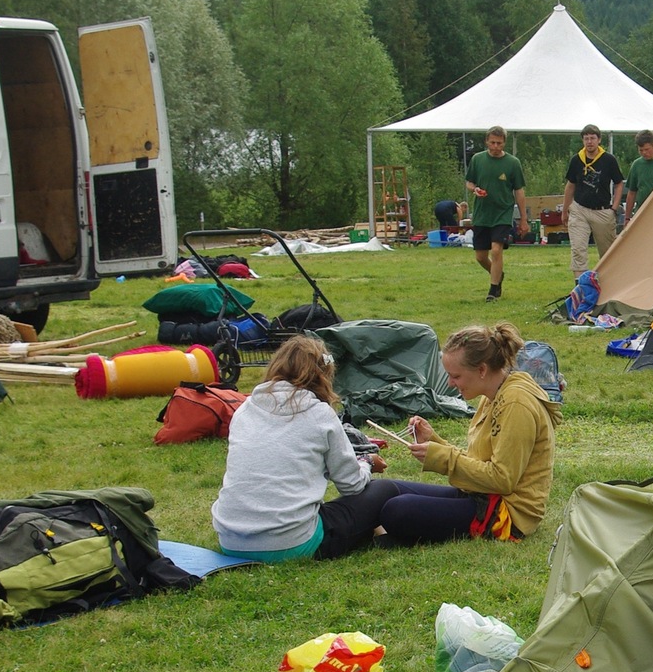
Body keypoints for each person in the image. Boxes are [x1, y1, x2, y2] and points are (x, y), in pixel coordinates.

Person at [361, 324, 562, 545]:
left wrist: (441, 457)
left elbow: (502, 479)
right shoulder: (493, 394)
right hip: (481, 494)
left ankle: (384, 535)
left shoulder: (516, 403)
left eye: (455, 376)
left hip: (504, 512)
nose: (450, 383)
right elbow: (479, 461)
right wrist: (434, 441)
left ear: (482, 370)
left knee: (397, 510)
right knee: (385, 490)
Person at [210, 335, 388, 563]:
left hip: (230, 540)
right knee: (384, 490)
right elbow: (351, 485)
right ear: (323, 375)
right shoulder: (319, 414)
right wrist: (367, 463)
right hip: (292, 543)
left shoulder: (245, 409)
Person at [465, 127, 528, 301]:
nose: (495, 146)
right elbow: (469, 182)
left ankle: (493, 291)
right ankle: (498, 274)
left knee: (496, 249)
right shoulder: (477, 159)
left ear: (504, 143)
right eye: (492, 142)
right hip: (482, 213)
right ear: (486, 141)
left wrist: (523, 219)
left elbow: (519, 191)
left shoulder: (513, 163)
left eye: (499, 143)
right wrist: (475, 189)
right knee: (480, 256)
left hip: (503, 213)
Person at [562, 124, 625, 279]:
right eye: (586, 139)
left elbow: (619, 183)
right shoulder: (577, 160)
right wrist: (565, 210)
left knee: (608, 252)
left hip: (602, 211)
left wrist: (614, 208)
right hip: (579, 209)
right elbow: (570, 185)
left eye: (592, 138)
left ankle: (609, 284)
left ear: (599, 140)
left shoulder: (608, 160)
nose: (589, 142)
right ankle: (581, 287)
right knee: (578, 250)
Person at [623, 130, 653, 224]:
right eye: (641, 150)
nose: (644, 153)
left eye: (647, 149)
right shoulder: (637, 165)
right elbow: (632, 193)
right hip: (641, 213)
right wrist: (627, 218)